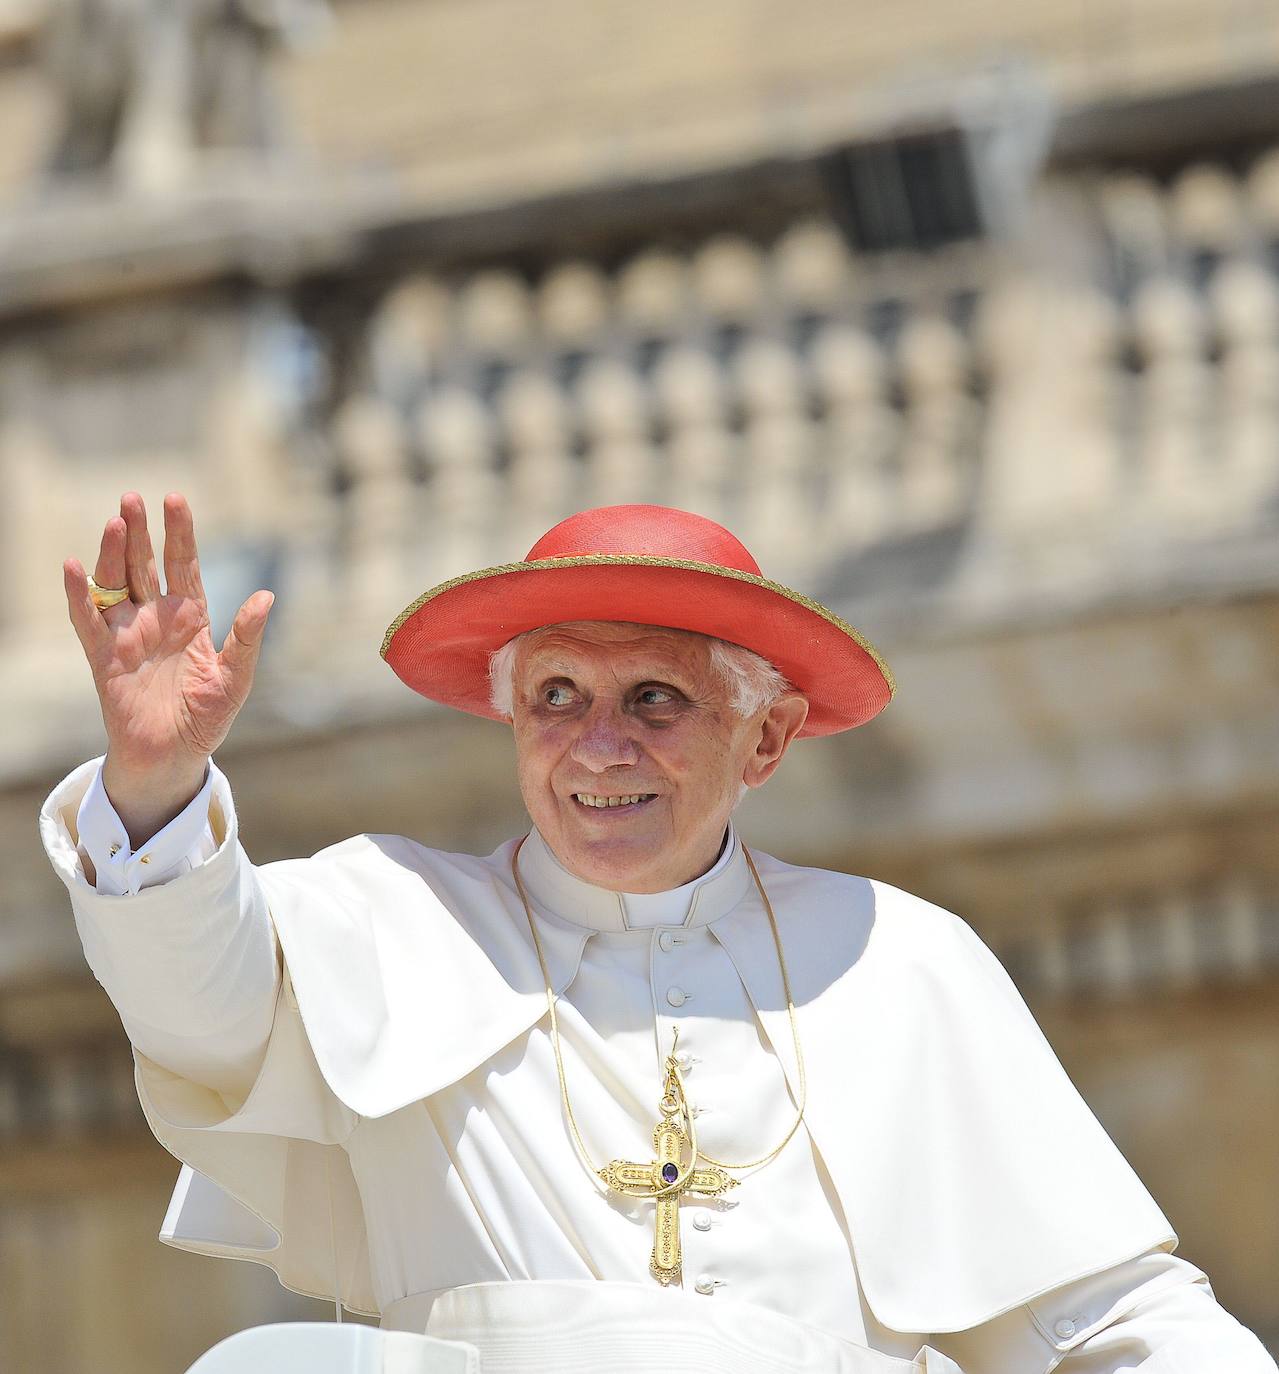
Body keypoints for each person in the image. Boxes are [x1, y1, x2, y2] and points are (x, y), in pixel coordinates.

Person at [41, 493, 1275, 1373]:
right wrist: (153, 784)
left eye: (655, 701)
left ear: (768, 740)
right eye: (556, 699)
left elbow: (1107, 1321)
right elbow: (193, 1001)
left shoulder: (897, 961)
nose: (599, 748)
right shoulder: (391, 915)